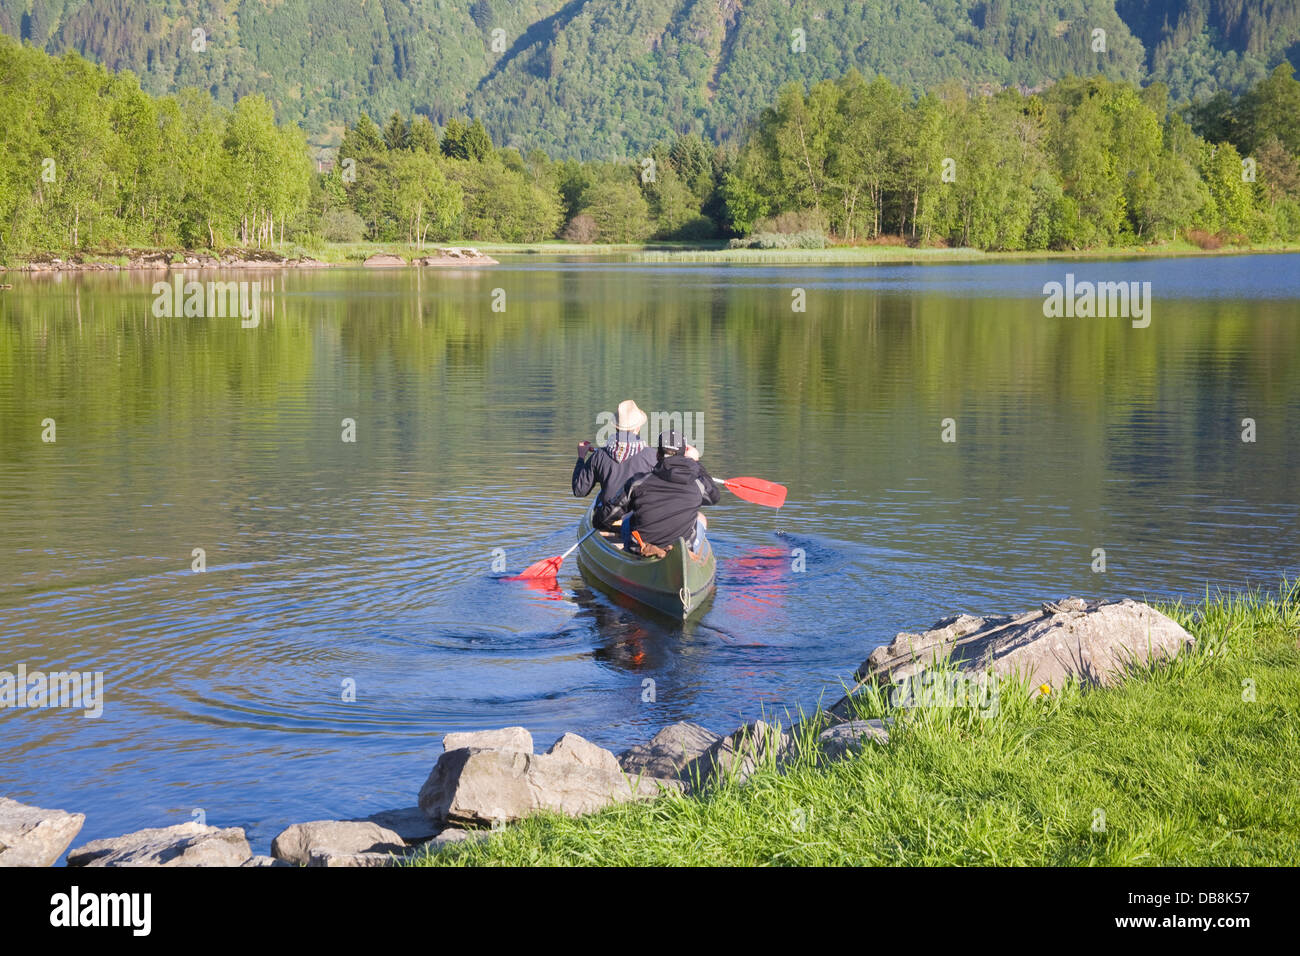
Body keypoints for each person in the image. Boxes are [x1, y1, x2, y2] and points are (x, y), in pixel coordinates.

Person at [609, 429, 720, 557]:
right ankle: (690, 555)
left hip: (642, 547)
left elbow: (609, 514)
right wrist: (696, 463)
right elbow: (714, 497)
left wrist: (600, 523)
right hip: (681, 549)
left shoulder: (638, 482)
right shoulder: (698, 484)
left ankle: (632, 553)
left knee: (627, 518)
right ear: (684, 454)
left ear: (657, 454)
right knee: (700, 518)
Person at [572, 399, 658, 529]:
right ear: (637, 427)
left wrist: (581, 458)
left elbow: (579, 490)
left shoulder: (599, 455)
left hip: (608, 520)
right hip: (641, 520)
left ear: (615, 427)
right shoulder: (653, 456)